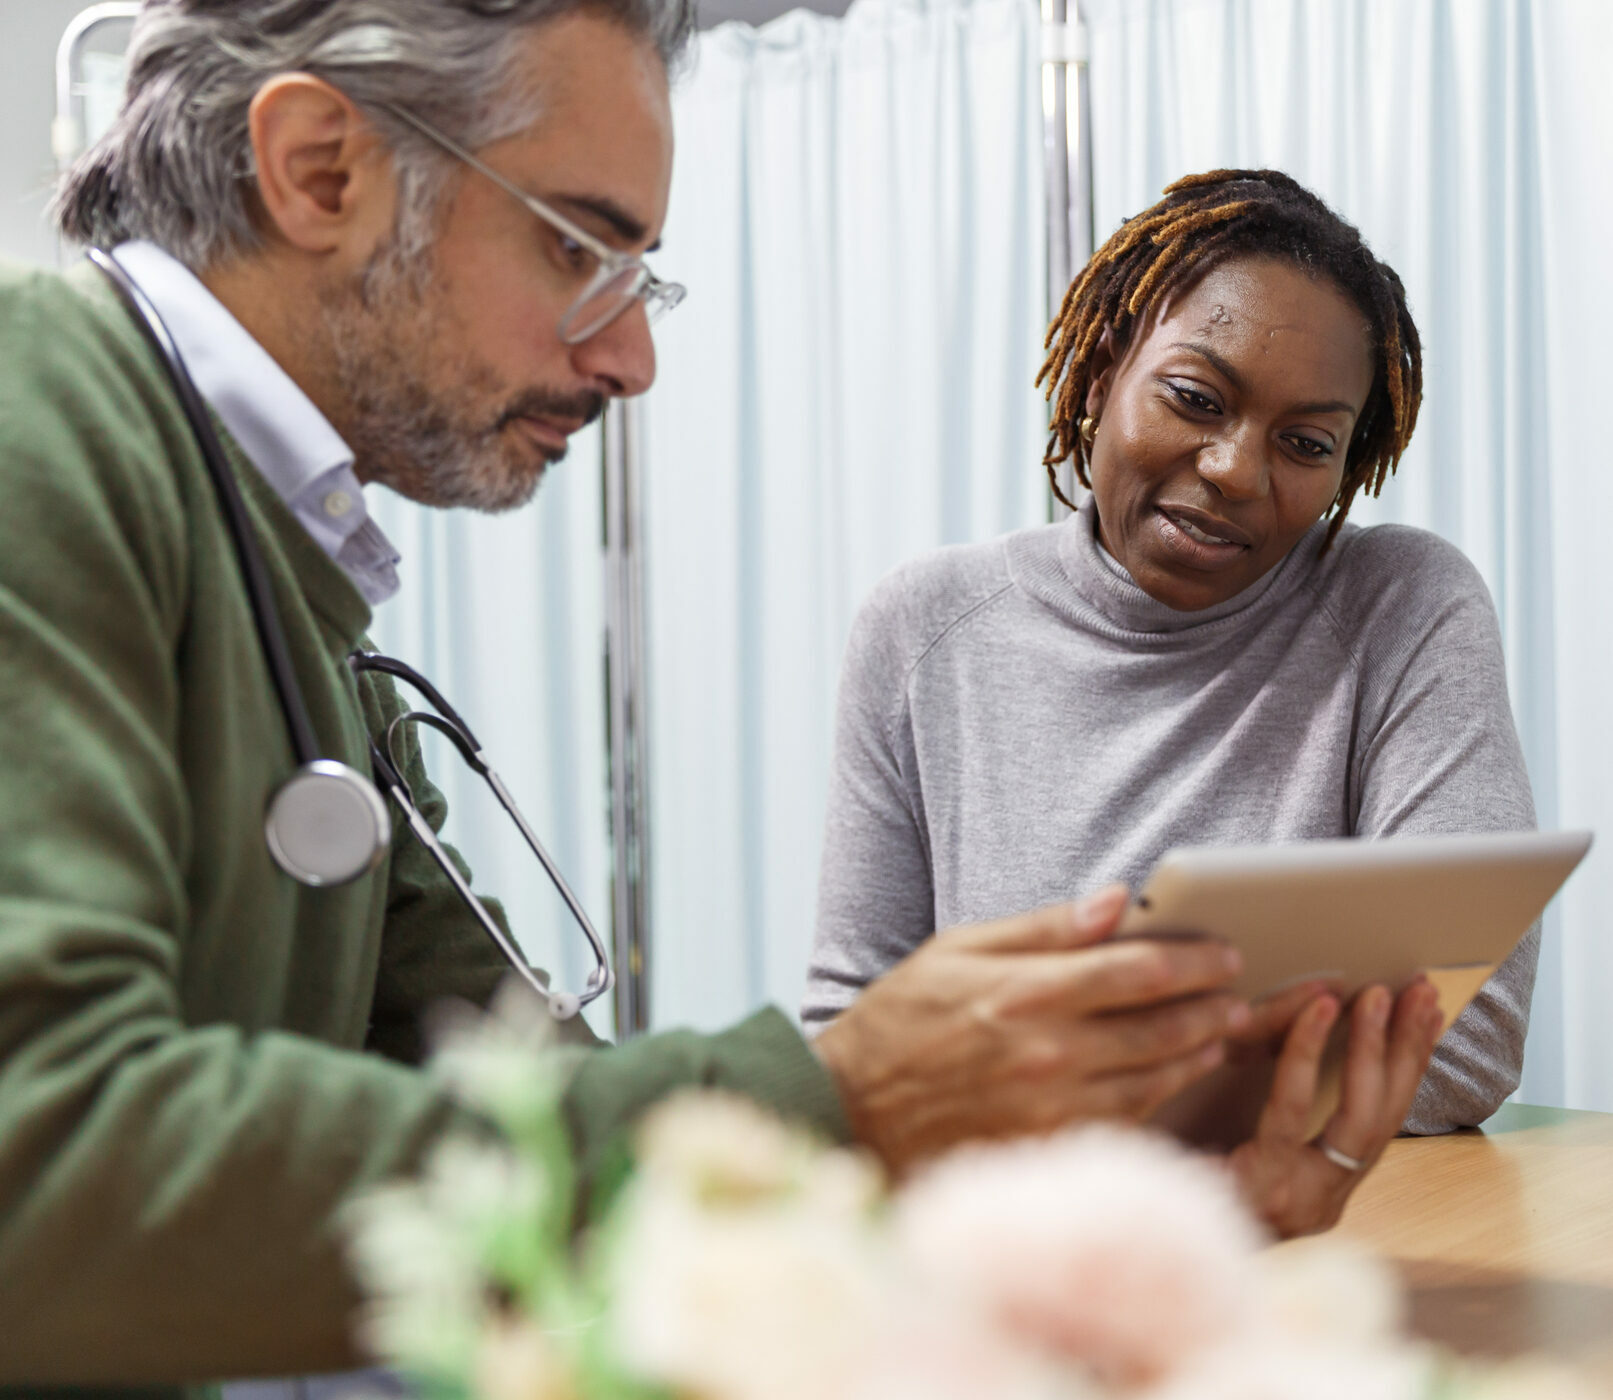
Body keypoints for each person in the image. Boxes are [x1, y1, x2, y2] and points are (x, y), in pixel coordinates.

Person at [0, 2, 1433, 1387]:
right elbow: (42, 1168)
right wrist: (845, 1101)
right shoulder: (38, 421)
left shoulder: (287, 582)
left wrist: (1139, 1231)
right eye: (580, 247)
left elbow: (538, 1139)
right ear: (322, 169)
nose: (631, 357)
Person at [805, 169, 1535, 1166]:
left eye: (1304, 441)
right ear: (1103, 372)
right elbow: (849, 1050)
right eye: (1194, 397)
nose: (1237, 467)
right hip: (1001, 1244)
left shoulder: (1402, 607)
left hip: (1304, 1249)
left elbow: (1467, 1033)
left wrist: (1022, 1078)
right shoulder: (922, 628)